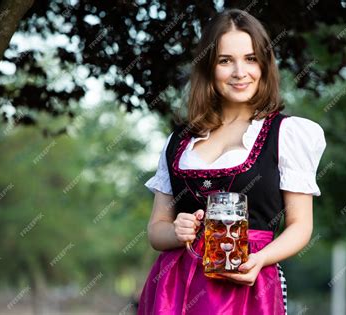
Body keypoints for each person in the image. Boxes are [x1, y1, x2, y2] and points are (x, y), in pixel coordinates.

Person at [137, 8, 326, 315]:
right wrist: (177, 231)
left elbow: (300, 226)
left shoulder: (286, 134)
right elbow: (156, 231)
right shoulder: (179, 142)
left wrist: (261, 259)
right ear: (209, 68)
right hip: (175, 290)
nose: (240, 72)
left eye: (250, 59)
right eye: (226, 61)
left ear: (264, 65)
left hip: (247, 287)